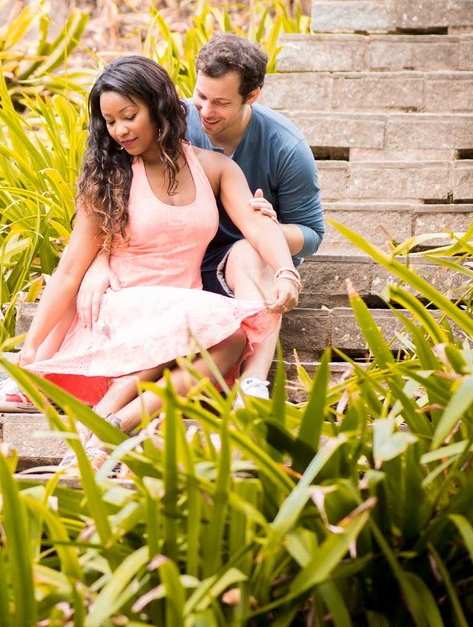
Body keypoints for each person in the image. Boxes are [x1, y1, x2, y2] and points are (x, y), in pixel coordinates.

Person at [0, 55, 302, 460]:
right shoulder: (111, 177)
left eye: (129, 116)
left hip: (182, 309)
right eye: (110, 121)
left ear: (158, 107)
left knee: (231, 338)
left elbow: (256, 226)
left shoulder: (216, 169)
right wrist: (32, 348)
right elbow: (70, 269)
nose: (120, 130)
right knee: (215, 335)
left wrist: (285, 271)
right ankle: (109, 426)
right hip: (120, 306)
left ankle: (113, 423)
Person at [73, 34, 324, 404]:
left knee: (248, 250)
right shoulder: (174, 121)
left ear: (252, 96)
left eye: (221, 102)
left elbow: (313, 233)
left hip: (246, 267)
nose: (205, 111)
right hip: (180, 264)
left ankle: (252, 385)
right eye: (201, 96)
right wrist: (100, 257)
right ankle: (113, 414)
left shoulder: (285, 146)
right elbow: (111, 185)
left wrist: (266, 230)